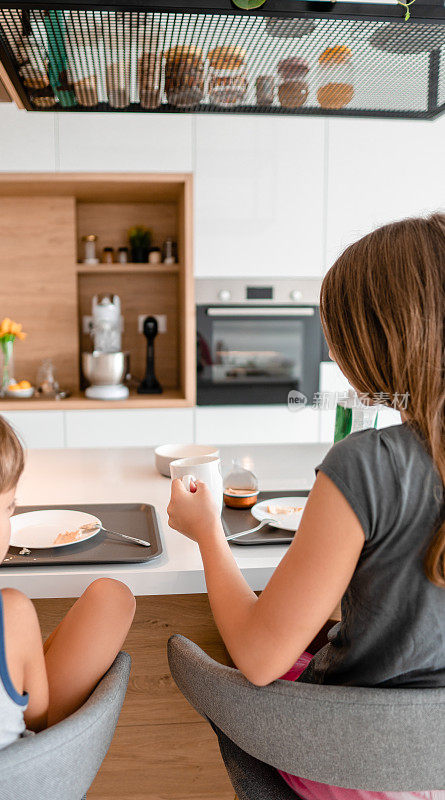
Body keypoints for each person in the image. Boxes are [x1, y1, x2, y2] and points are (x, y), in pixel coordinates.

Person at [167, 213, 445, 800]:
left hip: (362, 767)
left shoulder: (367, 463)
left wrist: (208, 531)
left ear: (375, 340)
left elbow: (261, 659)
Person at [0, 384, 135, 772]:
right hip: (14, 783)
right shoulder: (7, 614)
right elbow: (36, 726)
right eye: (8, 507)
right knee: (113, 598)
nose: (11, 519)